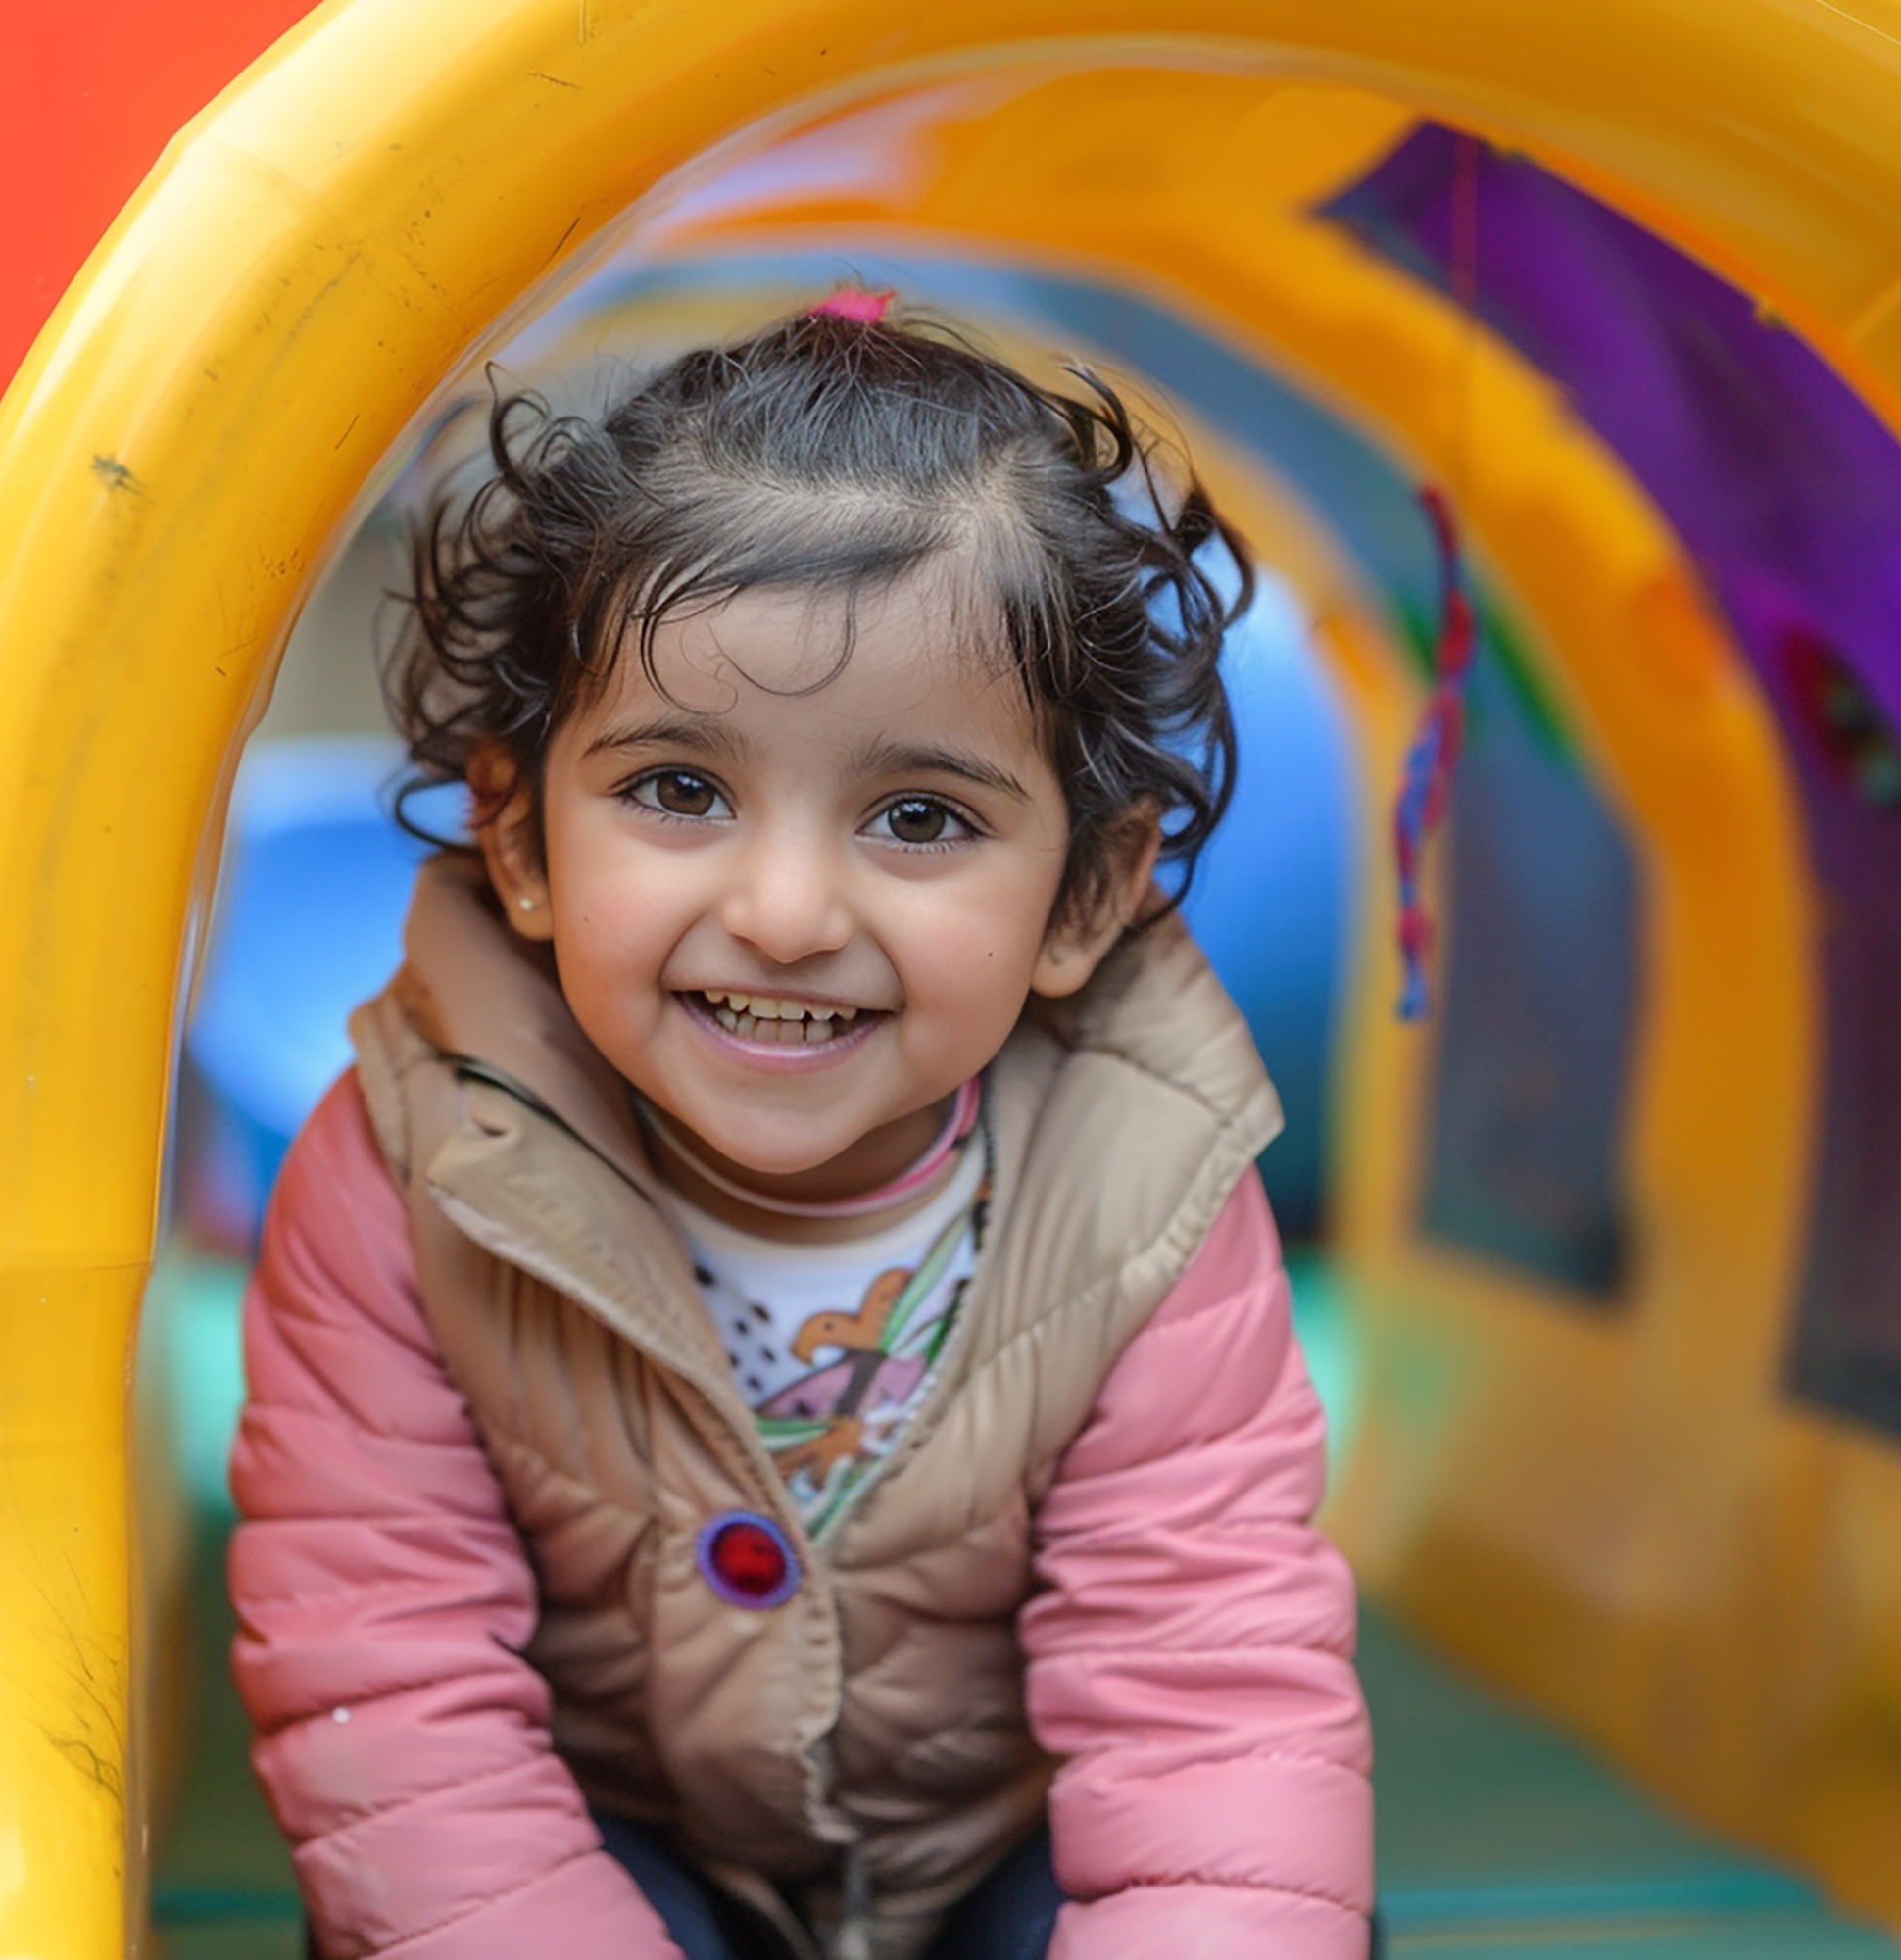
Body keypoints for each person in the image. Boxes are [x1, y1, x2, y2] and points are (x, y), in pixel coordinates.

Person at [228, 295, 1375, 1960]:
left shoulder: (1145, 1180)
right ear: (524, 838)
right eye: (679, 791)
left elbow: (1211, 1696)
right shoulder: (416, 1169)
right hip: (606, 1847)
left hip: (1004, 1846)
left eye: (919, 817)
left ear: (1085, 896)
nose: (780, 912)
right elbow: (394, 1698)